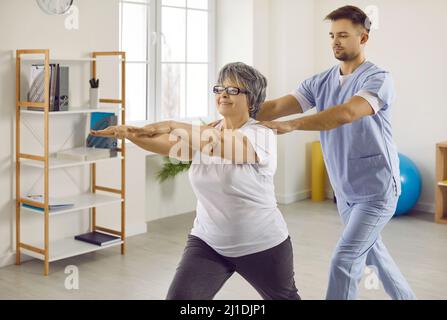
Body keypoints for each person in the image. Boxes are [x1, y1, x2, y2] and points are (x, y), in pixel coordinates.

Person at [92, 62, 300, 300]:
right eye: (220, 88)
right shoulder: (208, 131)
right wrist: (127, 134)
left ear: (251, 100)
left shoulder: (260, 134)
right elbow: (168, 146)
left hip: (262, 245)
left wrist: (172, 124)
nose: (223, 94)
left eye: (234, 90)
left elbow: (217, 146)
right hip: (208, 242)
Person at [256, 5, 416, 300]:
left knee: (345, 259)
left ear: (363, 38)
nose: (335, 42)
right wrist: (240, 109)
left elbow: (346, 113)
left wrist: (292, 127)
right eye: (331, 35)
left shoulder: (378, 78)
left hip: (377, 190)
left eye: (343, 35)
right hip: (345, 191)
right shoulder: (320, 81)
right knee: (375, 256)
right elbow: (279, 106)